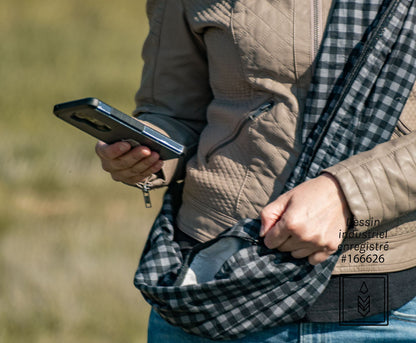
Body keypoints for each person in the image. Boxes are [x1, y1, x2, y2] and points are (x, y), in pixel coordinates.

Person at [95, 0, 416, 341]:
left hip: (385, 303)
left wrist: (347, 193)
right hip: (217, 284)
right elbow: (173, 110)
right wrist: (147, 151)